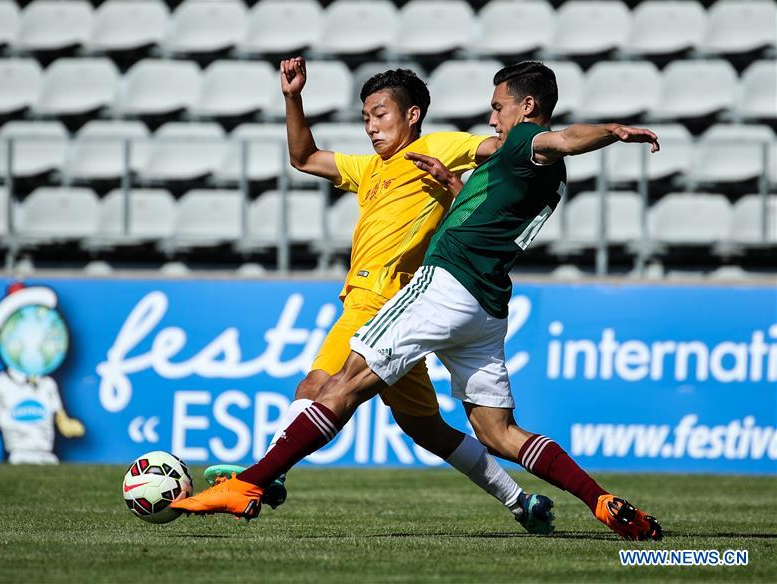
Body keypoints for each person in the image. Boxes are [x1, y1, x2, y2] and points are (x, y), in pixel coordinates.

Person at [173, 61, 664, 542]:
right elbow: (492, 203)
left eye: (499, 106)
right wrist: (455, 189)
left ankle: (251, 482)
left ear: (527, 105)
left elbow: (555, 140)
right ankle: (597, 500)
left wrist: (612, 132)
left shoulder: (515, 140)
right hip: (486, 305)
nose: (494, 118)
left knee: (340, 385)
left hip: (436, 287)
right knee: (495, 432)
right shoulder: (537, 178)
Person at [205, 56, 555, 534]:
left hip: (386, 302)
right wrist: (292, 97)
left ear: (412, 115)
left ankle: (263, 478)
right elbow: (304, 157)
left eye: (380, 114)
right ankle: (520, 501)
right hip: (393, 313)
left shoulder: (439, 145)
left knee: (316, 388)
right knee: (425, 428)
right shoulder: (369, 168)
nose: (371, 126)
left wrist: (469, 183)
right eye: (366, 117)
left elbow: (500, 148)